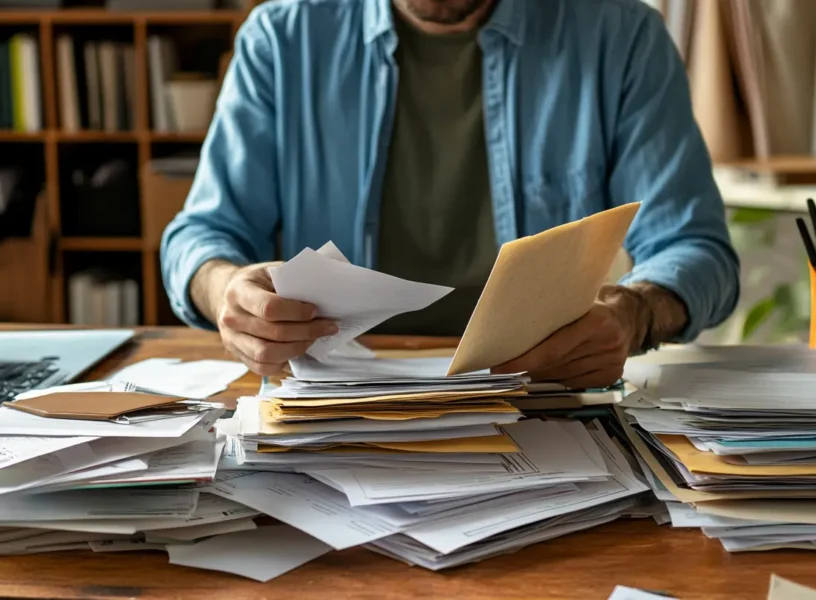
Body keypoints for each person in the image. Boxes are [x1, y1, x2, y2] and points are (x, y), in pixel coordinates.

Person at [160, 0, 740, 388]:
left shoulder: (619, 36)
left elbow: (696, 247)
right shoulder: (283, 39)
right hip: (338, 405)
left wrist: (634, 312)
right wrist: (226, 290)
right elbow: (204, 235)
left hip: (541, 400)